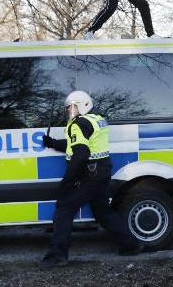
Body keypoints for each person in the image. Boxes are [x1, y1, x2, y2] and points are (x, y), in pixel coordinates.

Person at [40, 90, 139, 266]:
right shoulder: (97, 119)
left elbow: (80, 153)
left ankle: (57, 256)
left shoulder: (77, 124)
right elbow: (76, 143)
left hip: (89, 174)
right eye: (69, 108)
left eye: (73, 107)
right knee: (102, 211)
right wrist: (53, 143)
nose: (70, 111)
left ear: (83, 105)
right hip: (101, 171)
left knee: (64, 209)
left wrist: (68, 181)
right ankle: (130, 245)